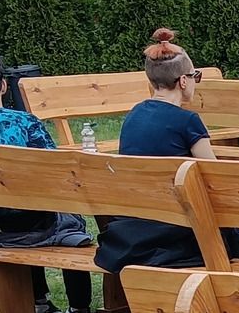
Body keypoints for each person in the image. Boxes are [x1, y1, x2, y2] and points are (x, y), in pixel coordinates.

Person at [0, 46, 94, 313]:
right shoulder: (26, 123)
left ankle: (39, 301)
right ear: (3, 85)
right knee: (70, 223)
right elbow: (55, 172)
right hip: (34, 228)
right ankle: (79, 310)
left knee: (23, 209)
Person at [96, 30, 226, 276]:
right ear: (183, 81)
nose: (196, 82)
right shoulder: (188, 121)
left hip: (132, 229)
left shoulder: (134, 115)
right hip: (174, 231)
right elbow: (215, 177)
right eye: (195, 76)